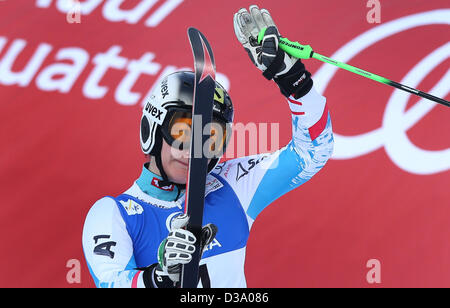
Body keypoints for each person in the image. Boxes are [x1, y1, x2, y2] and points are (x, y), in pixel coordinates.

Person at [82, 5, 334, 288]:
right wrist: (160, 277)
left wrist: (293, 80)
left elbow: (311, 152)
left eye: (209, 138)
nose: (193, 149)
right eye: (181, 131)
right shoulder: (114, 213)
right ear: (152, 128)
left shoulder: (232, 185)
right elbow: (111, 282)